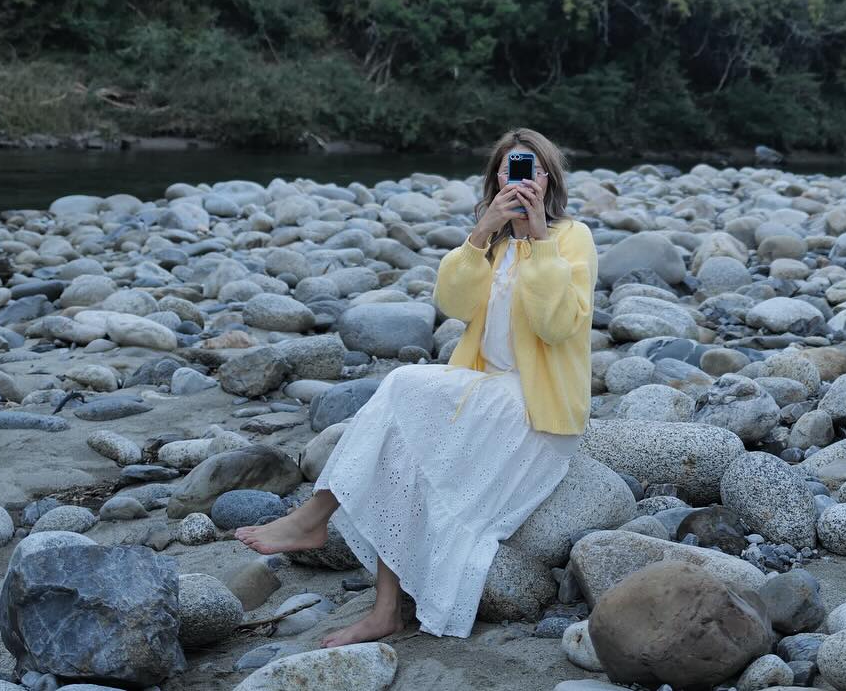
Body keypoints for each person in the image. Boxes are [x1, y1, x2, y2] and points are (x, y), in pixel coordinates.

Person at [234, 127, 596, 644]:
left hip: (536, 408)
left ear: (548, 178)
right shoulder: (491, 241)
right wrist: (480, 234)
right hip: (483, 390)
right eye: (510, 169)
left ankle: (314, 517)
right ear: (496, 178)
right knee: (404, 457)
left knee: (403, 382)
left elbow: (556, 327)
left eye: (531, 169)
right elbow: (453, 305)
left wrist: (539, 240)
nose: (521, 180)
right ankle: (385, 610)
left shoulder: (571, 238)